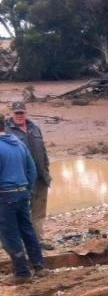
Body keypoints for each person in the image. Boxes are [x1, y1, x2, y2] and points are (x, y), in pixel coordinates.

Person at [0, 114, 47, 285]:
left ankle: (22, 272)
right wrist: (26, 189)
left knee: (9, 234)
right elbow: (32, 170)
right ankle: (39, 266)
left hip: (5, 196)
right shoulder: (18, 143)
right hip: (22, 193)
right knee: (27, 230)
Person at [5, 101, 54, 250]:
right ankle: (15, 244)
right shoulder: (6, 131)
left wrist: (46, 169)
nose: (19, 115)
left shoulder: (35, 128)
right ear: (12, 113)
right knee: (19, 213)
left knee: (39, 212)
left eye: (22, 112)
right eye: (16, 113)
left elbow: (43, 150)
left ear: (26, 113)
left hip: (40, 178)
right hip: (19, 181)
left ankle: (37, 241)